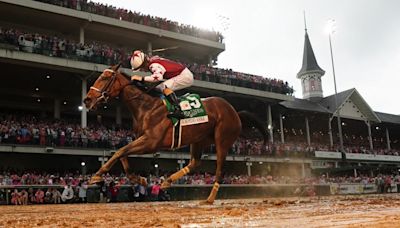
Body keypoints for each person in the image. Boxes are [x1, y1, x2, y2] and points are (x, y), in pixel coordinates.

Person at [130, 50, 194, 119]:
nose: (142, 70)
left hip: (185, 75)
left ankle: (178, 109)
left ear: (144, 63)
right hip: (182, 74)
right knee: (158, 88)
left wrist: (141, 78)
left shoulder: (153, 65)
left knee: (163, 87)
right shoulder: (153, 61)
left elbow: (158, 78)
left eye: (141, 68)